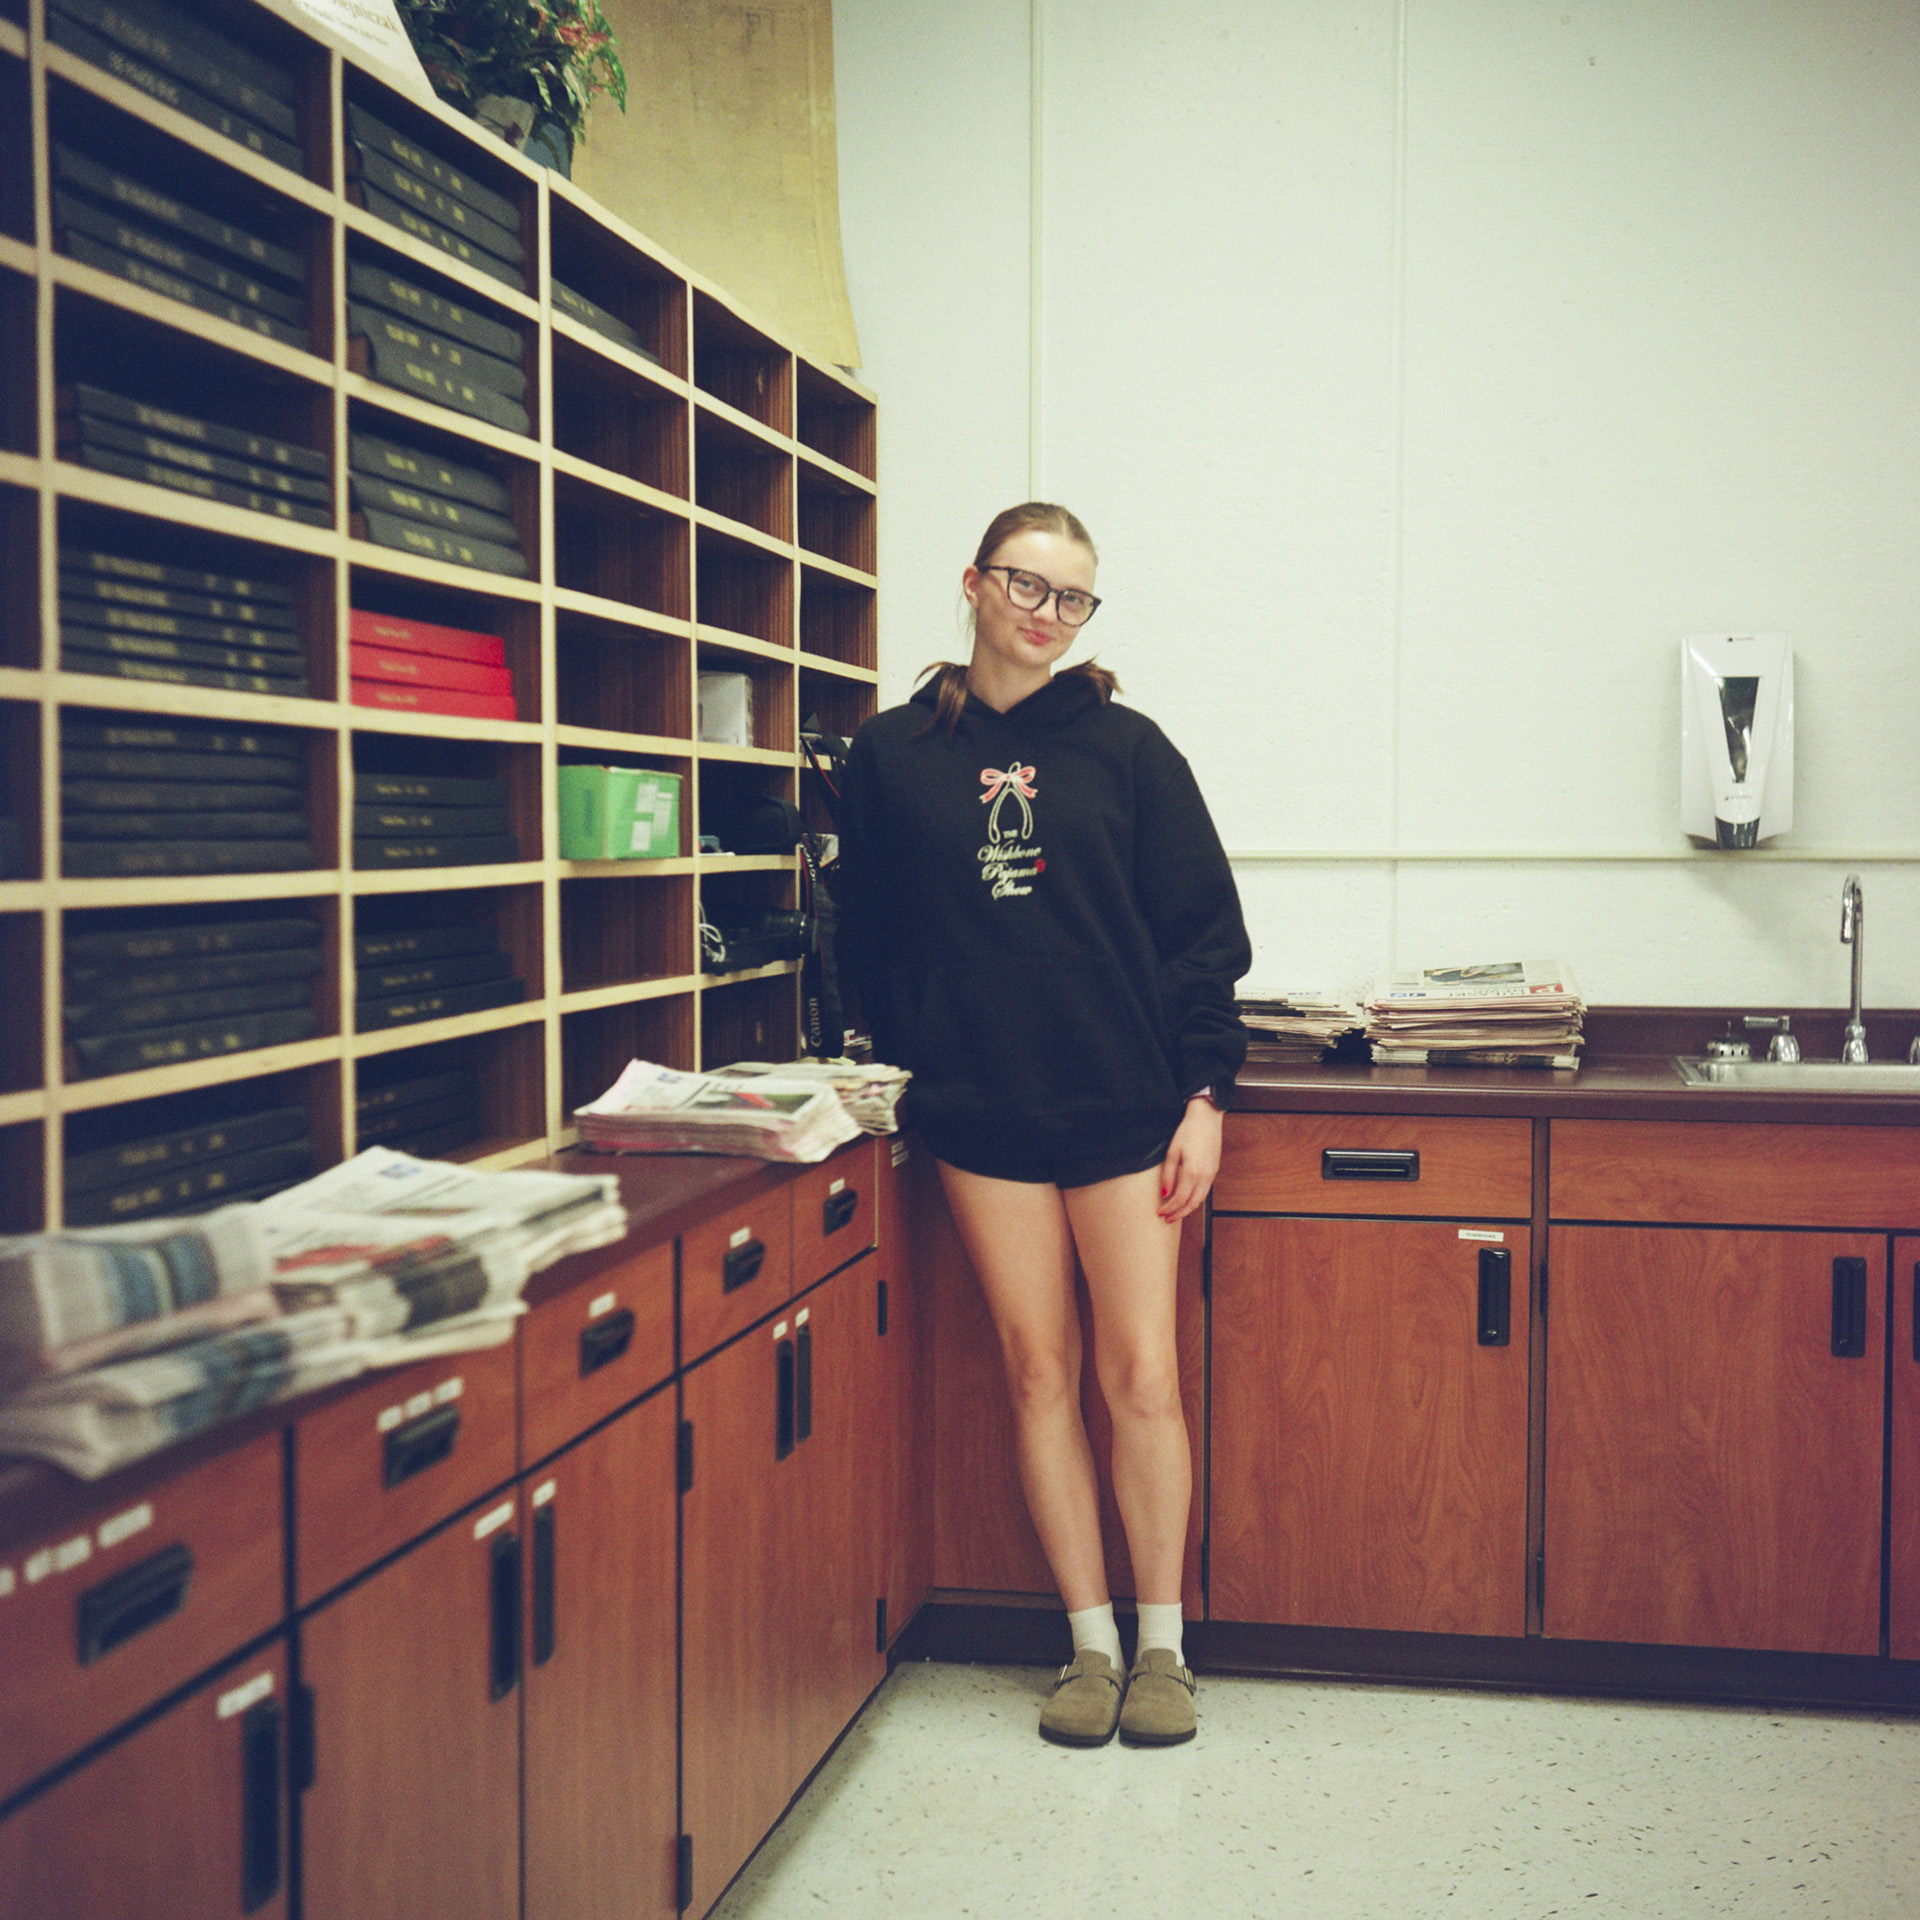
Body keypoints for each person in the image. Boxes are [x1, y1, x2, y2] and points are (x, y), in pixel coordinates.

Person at [835, 501, 1251, 1747]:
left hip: (1128, 1108)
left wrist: (1206, 1097)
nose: (1045, 613)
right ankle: (1087, 1644)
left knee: (1140, 1376)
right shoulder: (892, 754)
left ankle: (1164, 1649)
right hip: (980, 1113)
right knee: (1037, 1372)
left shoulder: (1130, 751)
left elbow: (1202, 940)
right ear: (972, 584)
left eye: (1071, 597)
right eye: (1025, 584)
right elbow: (873, 937)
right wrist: (910, 1060)